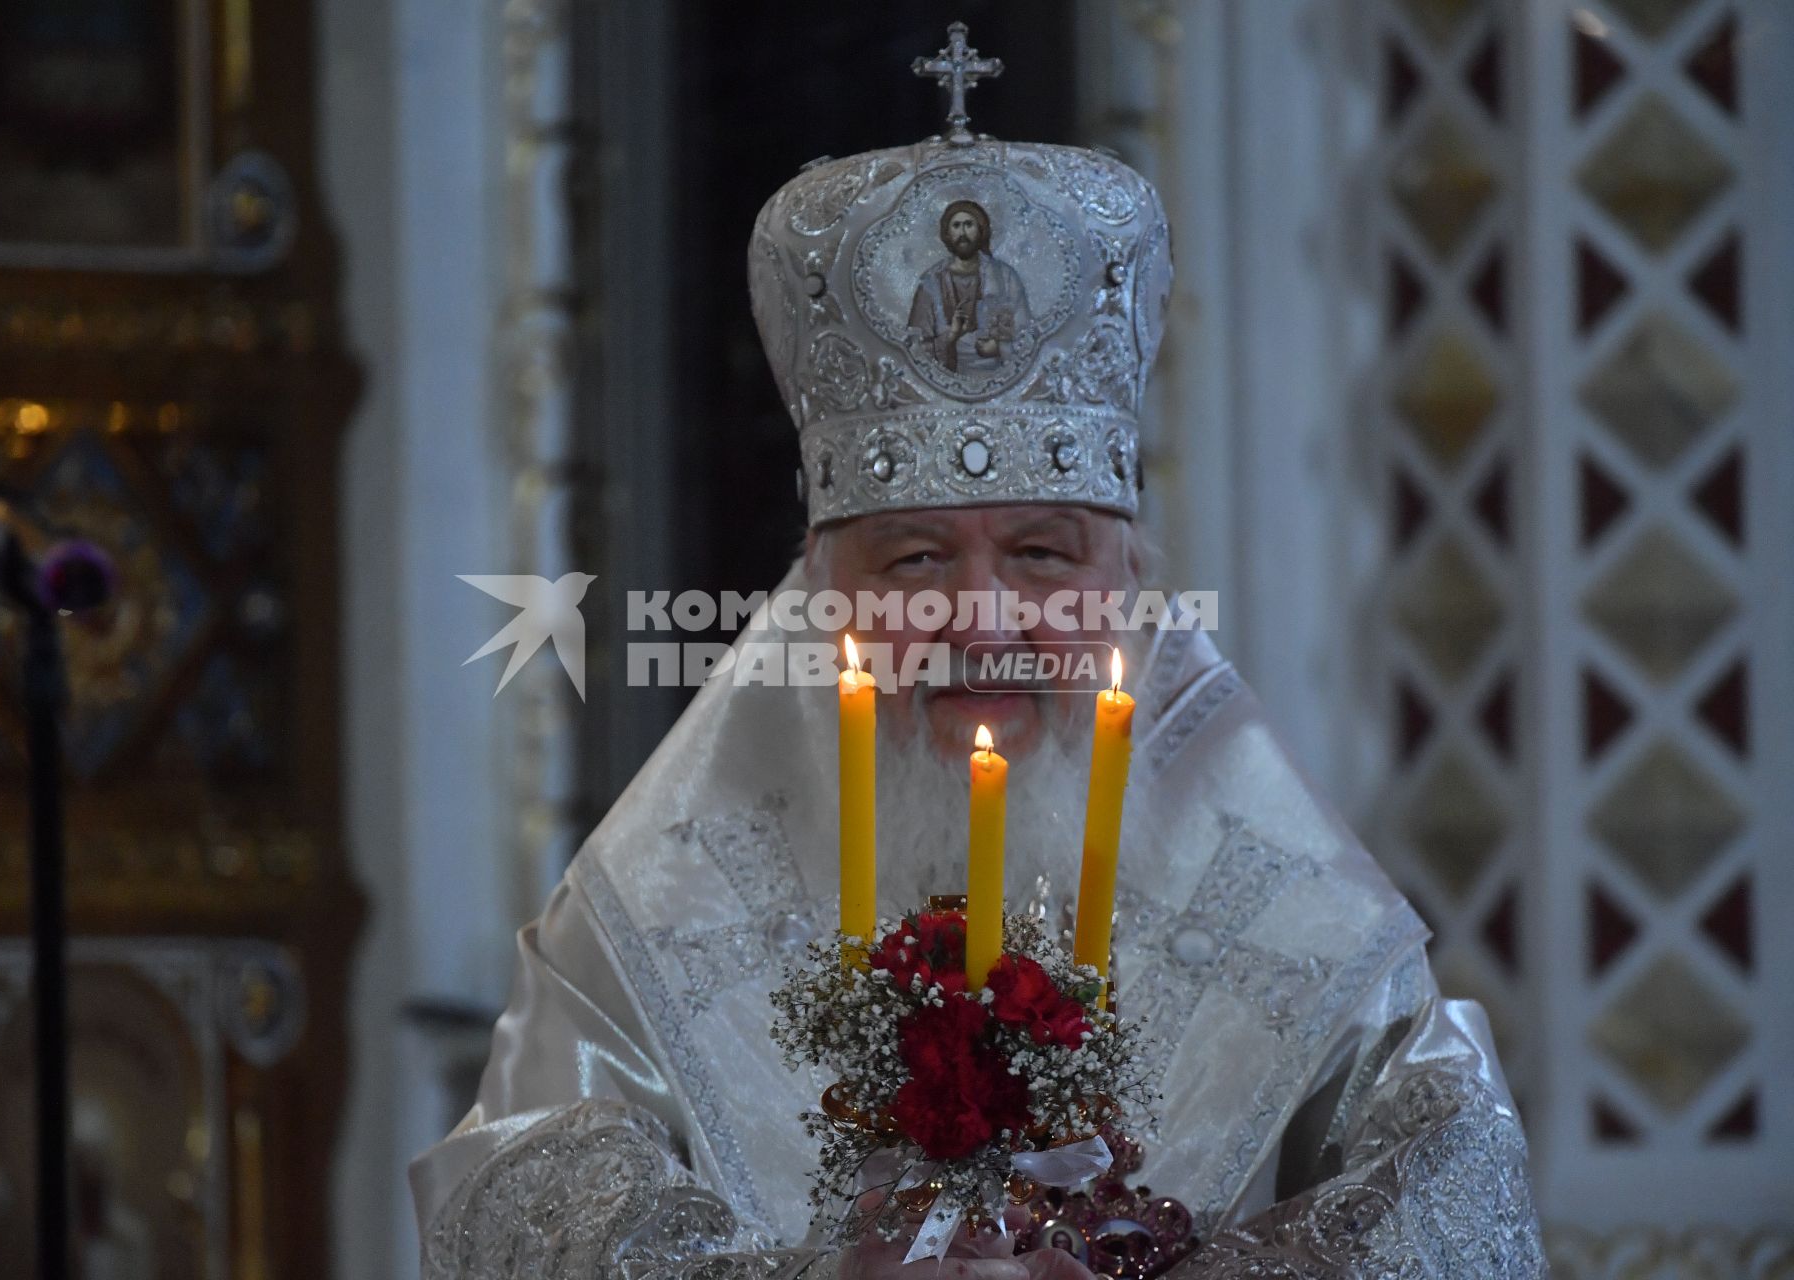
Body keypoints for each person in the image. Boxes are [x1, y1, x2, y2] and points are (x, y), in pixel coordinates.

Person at [412, 27, 1545, 1280]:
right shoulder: (652, 905)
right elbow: (520, 1213)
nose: (984, 617)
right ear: (817, 588)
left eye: (1046, 555)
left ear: (1131, 576)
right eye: (912, 561)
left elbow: (1464, 1204)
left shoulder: (1284, 888)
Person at [906, 199, 1033, 373]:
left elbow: (1027, 335)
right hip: (944, 380)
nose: (962, 233)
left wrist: (999, 348)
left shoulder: (1005, 276)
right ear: (947, 234)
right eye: (956, 226)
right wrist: (951, 336)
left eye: (969, 225)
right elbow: (915, 347)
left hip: (1000, 377)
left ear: (981, 230)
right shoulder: (931, 281)